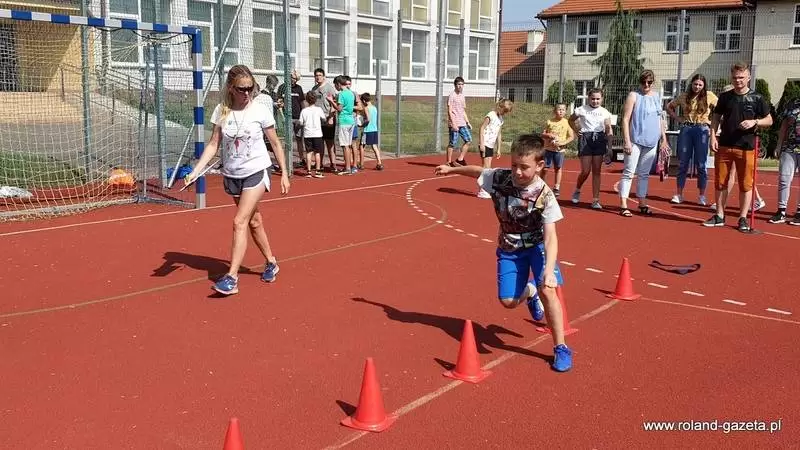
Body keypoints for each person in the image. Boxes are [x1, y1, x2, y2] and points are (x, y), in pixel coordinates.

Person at [433, 134, 573, 373]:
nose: (517, 172)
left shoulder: (544, 195)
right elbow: (478, 172)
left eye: (524, 167)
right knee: (508, 302)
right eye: (514, 165)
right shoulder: (500, 178)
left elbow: (551, 236)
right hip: (510, 248)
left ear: (539, 165)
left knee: (549, 290)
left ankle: (561, 347)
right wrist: (451, 169)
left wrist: (549, 272)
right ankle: (530, 291)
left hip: (537, 247)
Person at [185, 65, 290, 296]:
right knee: (254, 221)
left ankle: (231, 278)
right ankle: (271, 261)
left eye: (250, 88)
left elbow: (275, 142)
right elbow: (213, 144)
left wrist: (284, 172)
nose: (247, 93)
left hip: (257, 170)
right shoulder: (222, 111)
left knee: (239, 222)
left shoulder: (260, 110)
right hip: (233, 174)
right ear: (231, 88)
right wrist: (195, 171)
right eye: (242, 89)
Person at [704, 62, 773, 231]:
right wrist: (712, 136)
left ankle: (742, 218)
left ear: (748, 77)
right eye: (735, 77)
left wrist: (755, 122)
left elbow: (769, 120)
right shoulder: (725, 97)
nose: (738, 80)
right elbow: (716, 117)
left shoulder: (757, 98)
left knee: (746, 184)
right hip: (724, 145)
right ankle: (719, 215)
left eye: (741, 77)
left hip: (746, 147)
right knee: (720, 182)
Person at [618, 69, 670, 217]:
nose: (646, 85)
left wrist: (664, 139)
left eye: (649, 82)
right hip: (635, 141)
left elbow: (660, 119)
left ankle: (642, 203)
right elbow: (625, 119)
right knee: (629, 172)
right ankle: (623, 204)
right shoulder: (633, 96)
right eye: (643, 82)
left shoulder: (656, 96)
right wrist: (627, 141)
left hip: (652, 141)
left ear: (653, 82)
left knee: (644, 174)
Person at [666, 73, 718, 206]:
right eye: (695, 84)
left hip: (702, 130)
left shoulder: (709, 96)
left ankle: (702, 195)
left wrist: (713, 123)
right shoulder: (684, 96)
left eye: (700, 85)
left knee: (701, 164)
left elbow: (720, 109)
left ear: (704, 86)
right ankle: (679, 194)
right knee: (683, 162)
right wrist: (678, 119)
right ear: (691, 84)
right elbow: (669, 106)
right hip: (687, 129)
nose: (697, 87)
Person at [568, 88, 613, 209]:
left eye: (598, 99)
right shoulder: (581, 109)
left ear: (602, 99)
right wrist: (576, 130)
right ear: (588, 98)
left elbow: (608, 128)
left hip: (599, 139)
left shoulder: (605, 112)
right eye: (593, 98)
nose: (595, 101)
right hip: (585, 139)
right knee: (586, 171)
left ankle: (595, 200)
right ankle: (577, 189)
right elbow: (570, 120)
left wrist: (609, 147)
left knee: (597, 171)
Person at [768, 96, 800, 224]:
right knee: (784, 179)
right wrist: (779, 144)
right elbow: (784, 125)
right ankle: (781, 211)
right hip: (789, 147)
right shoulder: (792, 102)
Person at [476, 98, 514, 198]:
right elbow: (482, 128)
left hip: (491, 144)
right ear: (500, 107)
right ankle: (482, 189)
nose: (504, 113)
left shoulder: (501, 119)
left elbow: (499, 134)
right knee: (486, 167)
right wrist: (482, 143)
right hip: (485, 143)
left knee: (488, 167)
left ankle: (484, 188)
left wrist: (499, 148)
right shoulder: (491, 115)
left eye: (506, 112)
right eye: (504, 111)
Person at [541, 103, 575, 198]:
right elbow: (543, 134)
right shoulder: (549, 122)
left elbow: (571, 137)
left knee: (558, 168)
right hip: (548, 149)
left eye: (563, 110)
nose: (561, 111)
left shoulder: (567, 123)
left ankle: (556, 187)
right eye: (559, 109)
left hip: (559, 151)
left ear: (565, 111)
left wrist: (562, 143)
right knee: (545, 168)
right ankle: (541, 184)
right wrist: (548, 135)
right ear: (554, 111)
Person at [310, 68, 340, 172]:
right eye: (316, 75)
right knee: (319, 143)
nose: (318, 77)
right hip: (317, 120)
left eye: (319, 75)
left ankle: (333, 164)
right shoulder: (314, 89)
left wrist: (331, 117)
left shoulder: (329, 88)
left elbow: (333, 103)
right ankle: (320, 164)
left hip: (328, 118)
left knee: (330, 143)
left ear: (324, 77)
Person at [298, 91, 326, 178]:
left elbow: (301, 122)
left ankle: (309, 171)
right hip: (317, 134)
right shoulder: (319, 109)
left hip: (308, 134)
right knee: (317, 153)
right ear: (316, 99)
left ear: (306, 100)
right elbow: (324, 119)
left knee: (309, 152)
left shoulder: (304, 111)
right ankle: (317, 171)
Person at [446, 76, 472, 167]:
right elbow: (449, 110)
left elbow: (463, 110)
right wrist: (453, 124)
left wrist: (467, 122)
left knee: (468, 140)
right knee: (452, 143)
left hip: (462, 123)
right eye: (458, 84)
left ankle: (460, 159)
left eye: (462, 84)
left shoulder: (462, 96)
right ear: (455, 85)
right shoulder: (452, 96)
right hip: (454, 123)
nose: (460, 86)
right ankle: (449, 162)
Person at [359, 92, 384, 170]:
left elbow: (368, 119)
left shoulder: (366, 108)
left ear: (363, 101)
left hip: (367, 130)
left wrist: (361, 125)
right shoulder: (374, 108)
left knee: (361, 146)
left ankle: (361, 164)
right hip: (374, 129)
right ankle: (379, 163)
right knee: (374, 146)